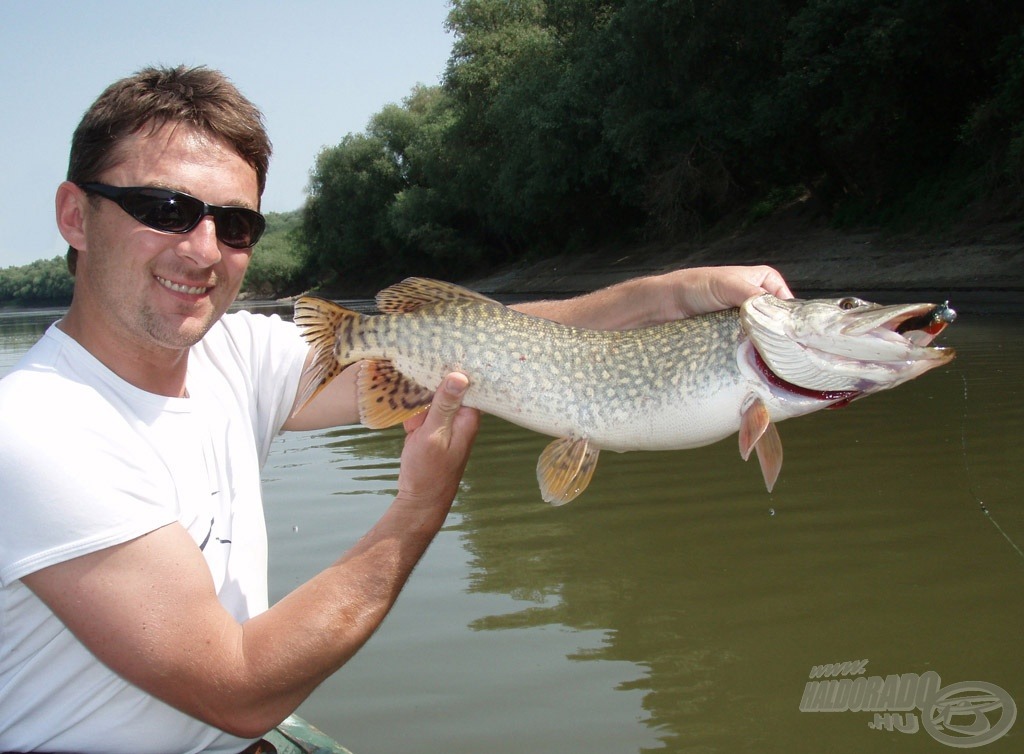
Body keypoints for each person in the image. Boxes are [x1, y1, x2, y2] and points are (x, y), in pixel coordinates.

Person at [0, 65, 792, 753]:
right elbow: (237, 690)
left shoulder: (229, 356)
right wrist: (418, 510)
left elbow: (505, 340)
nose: (204, 249)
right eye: (166, 209)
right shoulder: (38, 430)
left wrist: (677, 292)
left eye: (235, 224)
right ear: (76, 215)